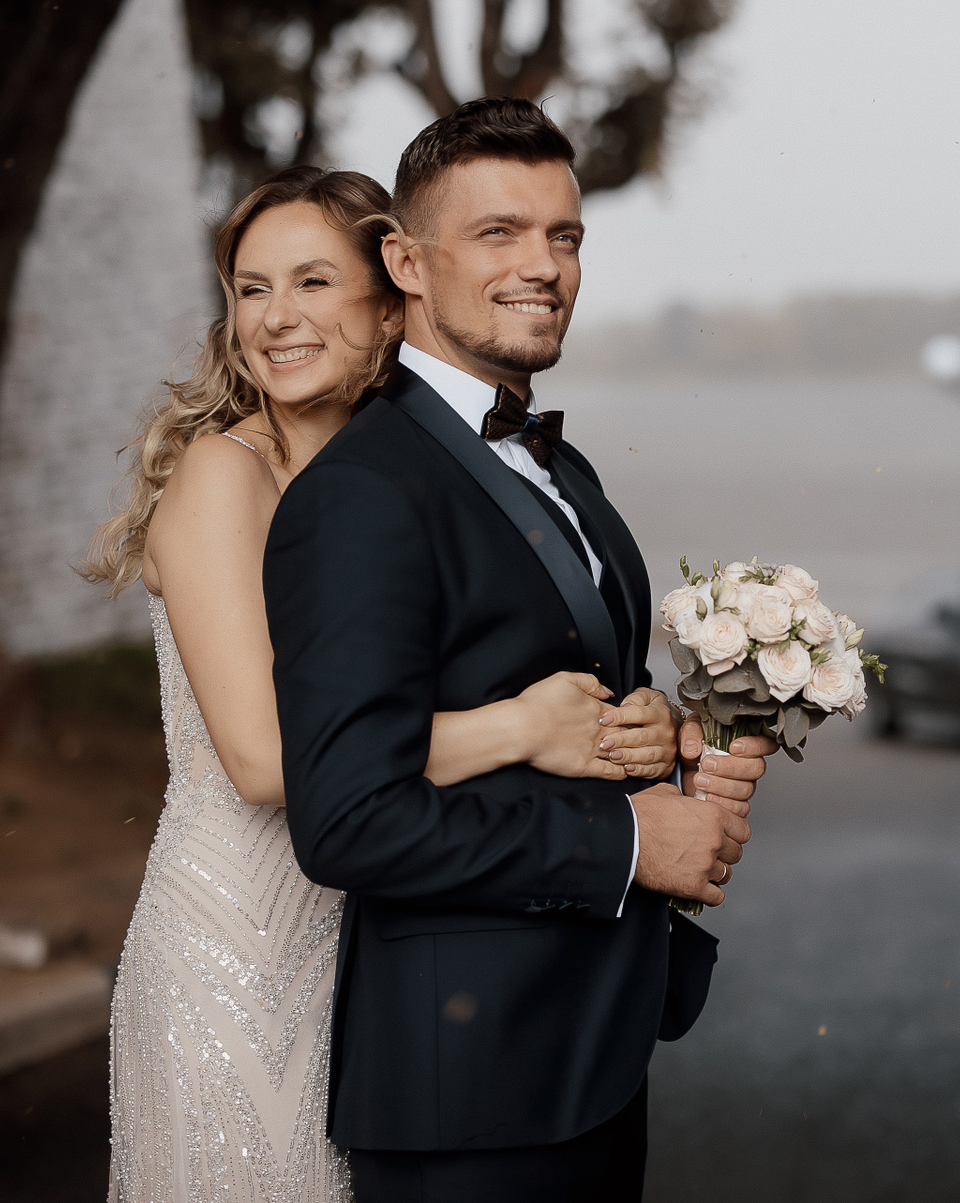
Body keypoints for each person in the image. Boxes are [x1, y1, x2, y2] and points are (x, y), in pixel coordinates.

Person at [81, 165, 742, 1201]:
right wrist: (520, 727)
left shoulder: (413, 476)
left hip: (380, 929)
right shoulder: (223, 474)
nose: (275, 317)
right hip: (247, 942)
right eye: (251, 289)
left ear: (393, 299)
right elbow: (266, 761)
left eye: (312, 282)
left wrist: (630, 722)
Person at [263, 98, 775, 1203]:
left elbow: (565, 690)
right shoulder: (363, 493)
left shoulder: (559, 467)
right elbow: (349, 818)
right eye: (498, 232)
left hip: (586, 1055)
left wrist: (664, 742)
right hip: (468, 1091)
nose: (543, 265)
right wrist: (627, 844)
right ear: (407, 262)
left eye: (564, 235)